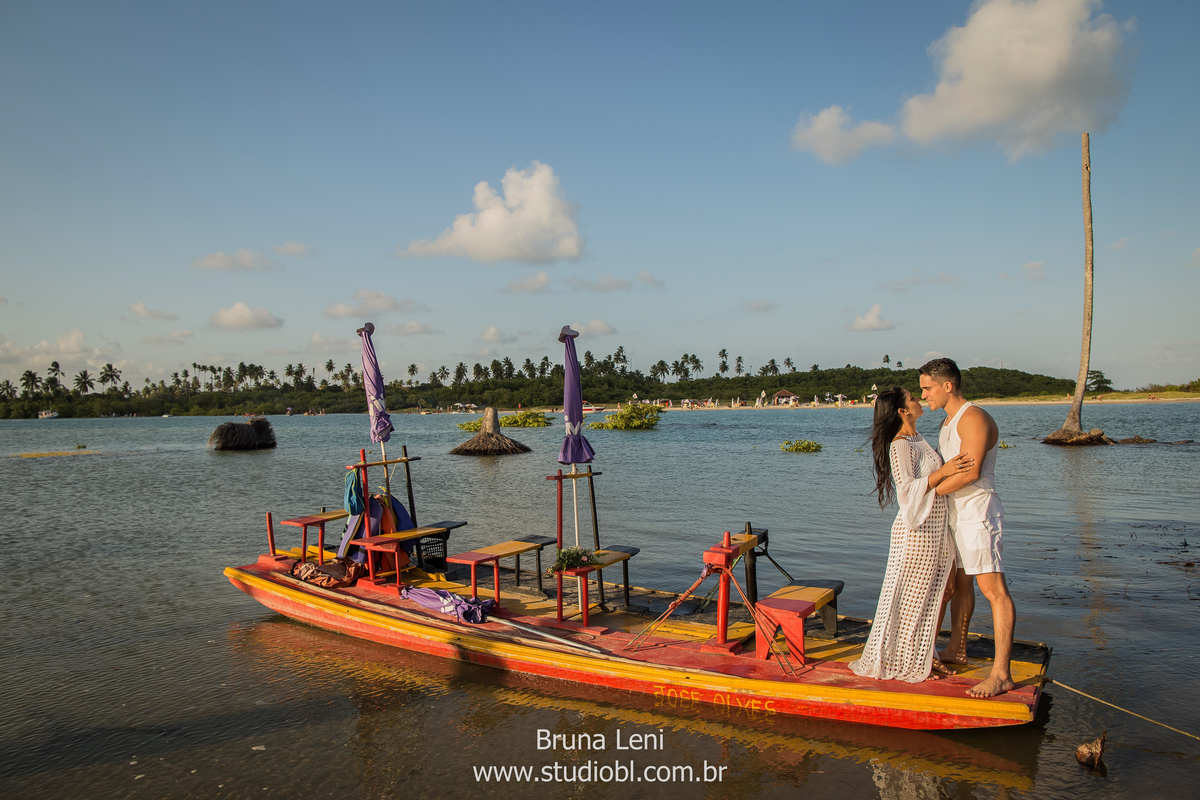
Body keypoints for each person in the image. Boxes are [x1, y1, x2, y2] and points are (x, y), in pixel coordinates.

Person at [849, 386, 972, 683]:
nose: (920, 400)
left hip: (933, 529)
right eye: (914, 399)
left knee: (938, 593)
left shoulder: (918, 439)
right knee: (912, 599)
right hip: (916, 532)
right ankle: (908, 661)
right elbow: (906, 494)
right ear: (903, 411)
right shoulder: (900, 445)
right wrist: (945, 471)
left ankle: (923, 655)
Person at [919, 357, 1016, 698]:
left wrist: (927, 489)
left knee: (994, 590)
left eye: (928, 389)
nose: (924, 396)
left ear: (948, 385)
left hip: (977, 513)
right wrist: (937, 482)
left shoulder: (972, 417)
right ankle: (957, 648)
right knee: (958, 585)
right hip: (955, 515)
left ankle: (1001, 674)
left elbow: (970, 473)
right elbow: (950, 470)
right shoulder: (947, 422)